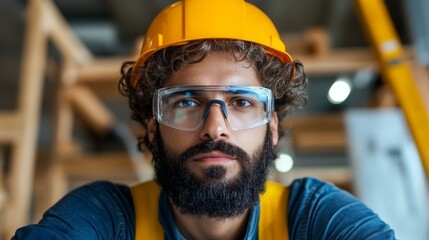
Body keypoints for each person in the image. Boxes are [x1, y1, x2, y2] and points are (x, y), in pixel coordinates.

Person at [13, 0, 395, 239]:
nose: (215, 127)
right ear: (152, 126)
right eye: (187, 101)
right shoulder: (108, 218)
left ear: (272, 127)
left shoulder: (312, 217)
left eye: (242, 102)